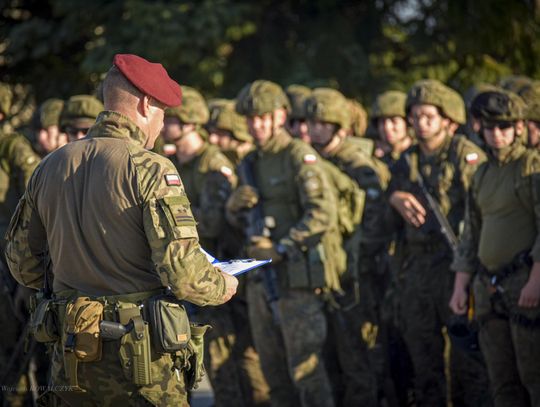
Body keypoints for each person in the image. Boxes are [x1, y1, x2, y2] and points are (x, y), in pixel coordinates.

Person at [5, 54, 238, 406]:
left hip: (71, 356)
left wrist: (75, 280)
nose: (162, 124)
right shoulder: (151, 168)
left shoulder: (50, 165)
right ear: (145, 105)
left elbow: (22, 264)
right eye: (162, 112)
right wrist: (223, 285)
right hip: (140, 364)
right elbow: (184, 275)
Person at [227, 79, 343, 407]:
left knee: (306, 371)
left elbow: (322, 214)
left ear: (280, 116)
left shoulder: (297, 155)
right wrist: (233, 208)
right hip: (260, 279)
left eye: (263, 118)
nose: (256, 125)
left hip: (296, 279)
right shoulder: (249, 162)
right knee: (273, 372)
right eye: (251, 119)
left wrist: (281, 248)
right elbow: (241, 225)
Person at [387, 79, 490, 407]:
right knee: (424, 359)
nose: (420, 123)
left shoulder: (464, 155)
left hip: (457, 266)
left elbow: (482, 213)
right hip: (418, 268)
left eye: (429, 116)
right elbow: (387, 211)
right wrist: (395, 198)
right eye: (415, 116)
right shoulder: (407, 160)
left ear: (448, 119)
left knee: (468, 362)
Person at [450, 89, 540, 407]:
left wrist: (536, 280)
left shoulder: (531, 167)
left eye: (504, 126)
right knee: (501, 380)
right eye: (490, 127)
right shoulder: (482, 174)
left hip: (524, 284)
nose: (497, 134)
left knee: (534, 376)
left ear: (519, 127)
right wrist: (460, 286)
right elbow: (471, 235)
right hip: (488, 288)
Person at [371, 90, 412, 168]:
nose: (387, 127)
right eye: (382, 122)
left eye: (394, 121)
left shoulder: (419, 155)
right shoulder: (372, 155)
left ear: (407, 123)